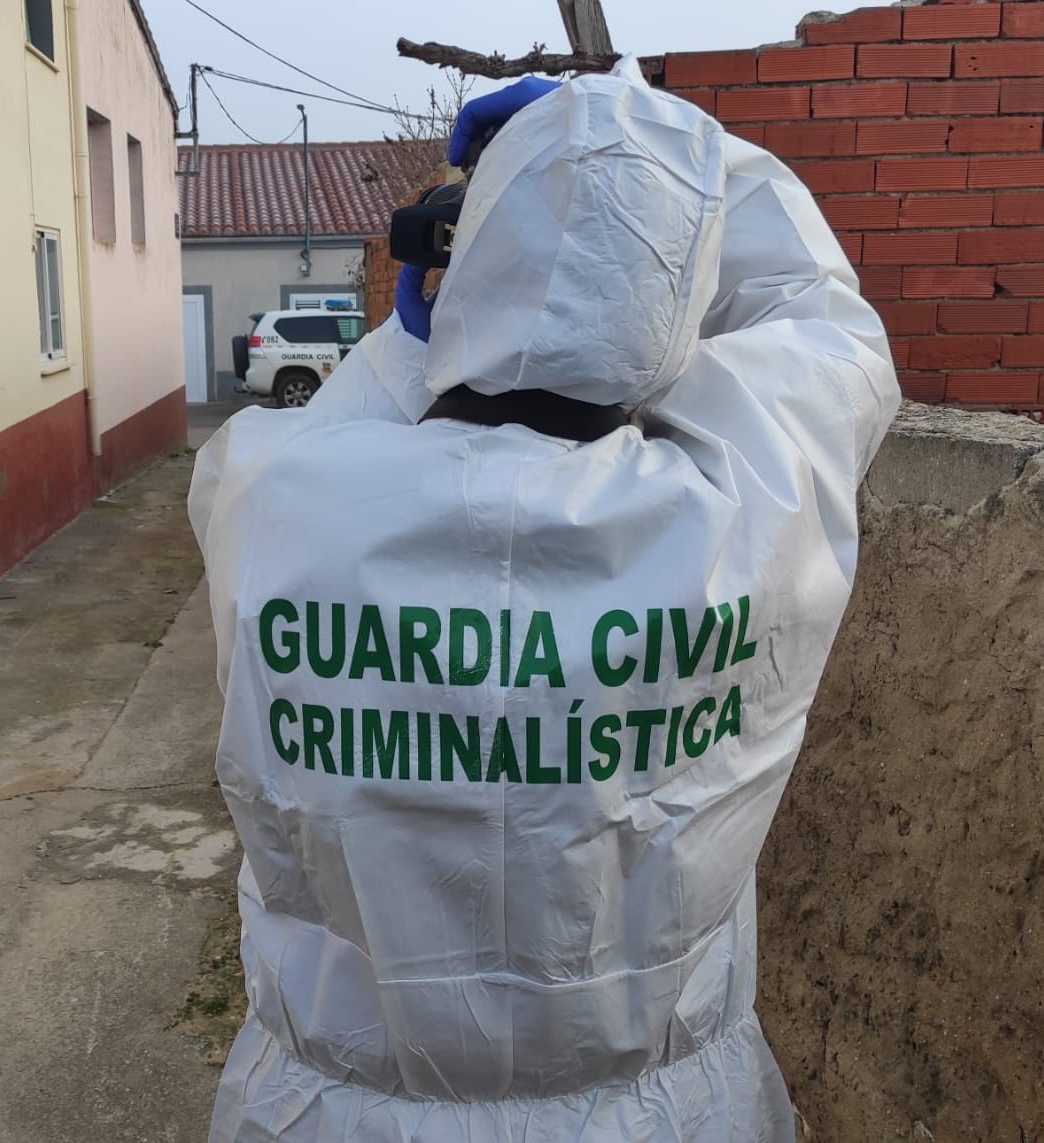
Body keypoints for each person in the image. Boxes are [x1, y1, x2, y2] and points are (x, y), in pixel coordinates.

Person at [189, 59, 900, 1141]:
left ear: (449, 276)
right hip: (664, 1115)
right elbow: (826, 324)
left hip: (338, 1114)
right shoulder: (752, 507)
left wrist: (420, 328)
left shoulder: (272, 494)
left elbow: (365, 403)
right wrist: (656, 149)